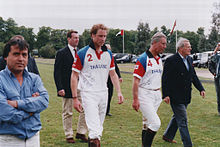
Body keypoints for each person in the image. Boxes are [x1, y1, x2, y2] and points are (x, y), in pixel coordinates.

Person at [71, 24, 124, 146]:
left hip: (103, 93)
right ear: (93, 35)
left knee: (98, 129)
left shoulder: (108, 54)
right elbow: (74, 75)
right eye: (100, 36)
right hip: (88, 93)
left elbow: (113, 74)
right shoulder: (83, 53)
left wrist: (119, 92)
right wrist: (75, 98)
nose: (103, 39)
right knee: (94, 130)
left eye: (105, 36)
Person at [0, 36, 49, 146]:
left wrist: (17, 103)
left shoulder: (34, 78)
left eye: (24, 55)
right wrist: (31, 110)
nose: (21, 59)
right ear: (5, 57)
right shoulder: (1, 80)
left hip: (33, 138)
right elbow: (4, 112)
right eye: (16, 54)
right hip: (9, 139)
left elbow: (44, 101)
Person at [162, 37, 205, 147]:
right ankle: (188, 144)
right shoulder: (171, 60)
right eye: (188, 46)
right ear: (181, 48)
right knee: (183, 120)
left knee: (178, 117)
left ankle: (168, 136)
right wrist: (165, 94)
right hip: (175, 96)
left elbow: (193, 76)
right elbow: (165, 79)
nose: (190, 48)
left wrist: (201, 89)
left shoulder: (189, 59)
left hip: (186, 96)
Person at [132, 32, 167, 147]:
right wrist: (135, 99)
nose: (165, 46)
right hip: (145, 94)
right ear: (154, 43)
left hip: (156, 94)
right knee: (155, 123)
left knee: (147, 124)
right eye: (163, 44)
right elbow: (136, 81)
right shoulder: (143, 59)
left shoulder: (159, 59)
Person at [54, 30, 88, 143]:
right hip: (67, 87)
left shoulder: (81, 52)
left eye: (78, 38)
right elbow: (57, 72)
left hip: (81, 87)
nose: (77, 40)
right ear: (68, 39)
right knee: (68, 112)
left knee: (85, 109)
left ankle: (81, 132)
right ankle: (69, 134)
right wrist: (60, 88)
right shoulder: (61, 53)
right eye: (74, 38)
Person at [105, 44, 123, 116]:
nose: (109, 50)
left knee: (110, 94)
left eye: (109, 49)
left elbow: (116, 68)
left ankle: (107, 111)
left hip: (111, 79)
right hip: (104, 79)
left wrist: (119, 76)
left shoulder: (112, 57)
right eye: (107, 49)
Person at [208, 42, 220, 115]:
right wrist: (214, 72)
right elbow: (211, 61)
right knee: (219, 94)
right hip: (218, 77)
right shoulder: (217, 56)